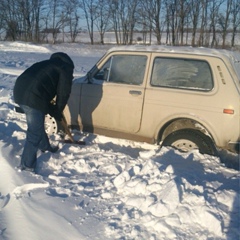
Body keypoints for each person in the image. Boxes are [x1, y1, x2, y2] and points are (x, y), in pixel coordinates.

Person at [13, 52, 74, 172]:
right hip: (33, 98)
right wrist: (58, 110)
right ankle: (27, 166)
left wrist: (53, 109)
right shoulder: (64, 68)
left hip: (19, 93)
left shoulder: (47, 64)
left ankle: (45, 147)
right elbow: (63, 93)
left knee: (37, 125)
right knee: (34, 133)